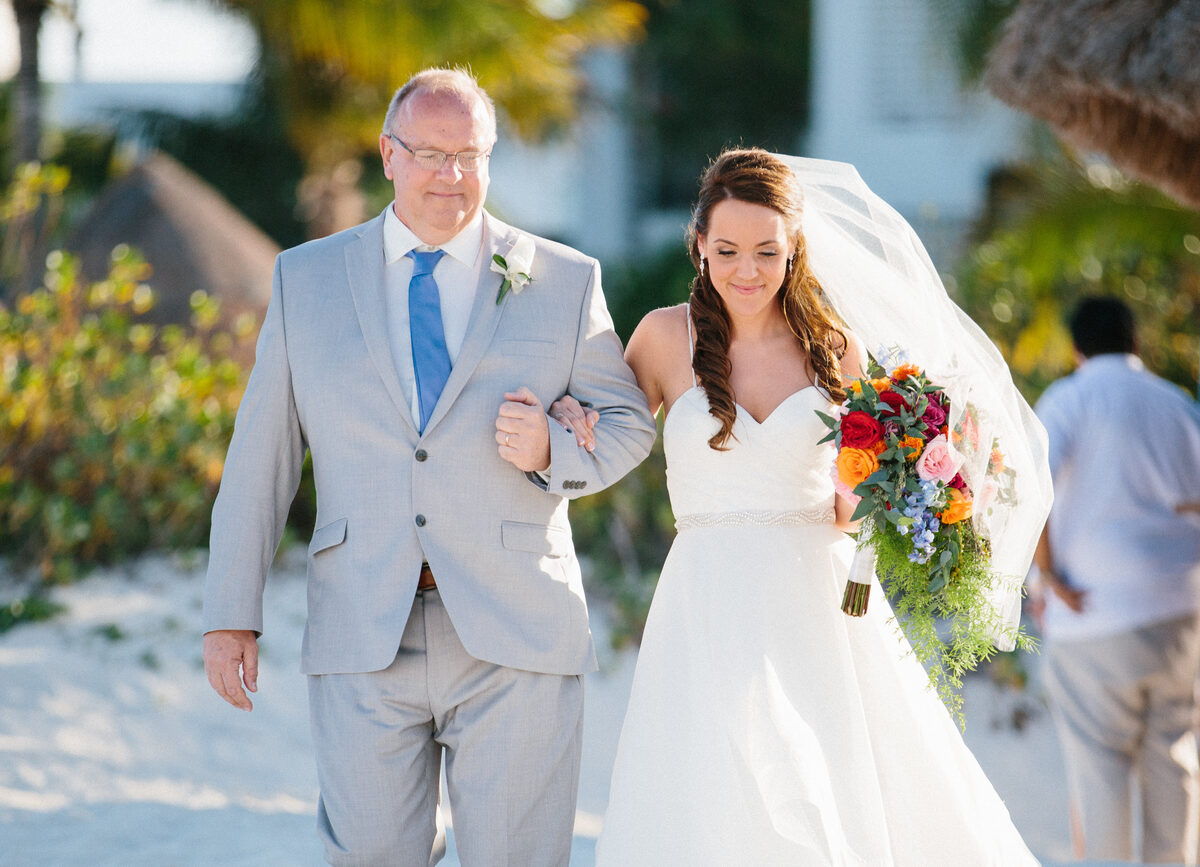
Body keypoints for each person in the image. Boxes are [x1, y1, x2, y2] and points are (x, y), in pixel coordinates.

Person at [200, 66, 656, 866]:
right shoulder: (305, 279)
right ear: (388, 154)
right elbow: (260, 457)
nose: (452, 174)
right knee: (372, 854)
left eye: (470, 155)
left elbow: (628, 425)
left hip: (516, 626)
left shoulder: (564, 278)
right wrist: (230, 610)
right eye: (431, 154)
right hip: (362, 622)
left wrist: (551, 451)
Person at [552, 148, 1050, 865]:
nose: (746, 270)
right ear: (700, 245)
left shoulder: (836, 348)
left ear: (794, 250)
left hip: (818, 601)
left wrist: (895, 480)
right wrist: (572, 416)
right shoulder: (662, 337)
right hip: (705, 598)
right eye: (727, 250)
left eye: (767, 251)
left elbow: (849, 506)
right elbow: (613, 435)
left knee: (831, 788)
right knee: (711, 792)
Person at [1031, 295, 1200, 864]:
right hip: (1181, 605)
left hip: (1095, 607)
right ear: (1136, 342)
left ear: (1076, 349)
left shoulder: (1068, 399)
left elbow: (1034, 490)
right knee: (1173, 752)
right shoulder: (1178, 403)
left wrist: (1047, 576)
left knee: (1101, 769)